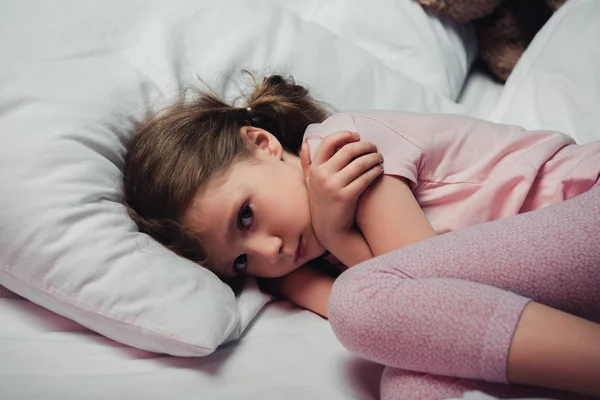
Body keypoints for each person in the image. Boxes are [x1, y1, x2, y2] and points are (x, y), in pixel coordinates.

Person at [122, 73, 600, 399]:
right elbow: (417, 328)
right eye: (241, 262)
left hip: (584, 207)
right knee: (410, 382)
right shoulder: (292, 265)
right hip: (567, 291)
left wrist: (336, 230)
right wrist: (294, 275)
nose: (270, 251)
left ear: (262, 144)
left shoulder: (339, 147)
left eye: (245, 217)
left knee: (359, 304)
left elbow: (425, 282)